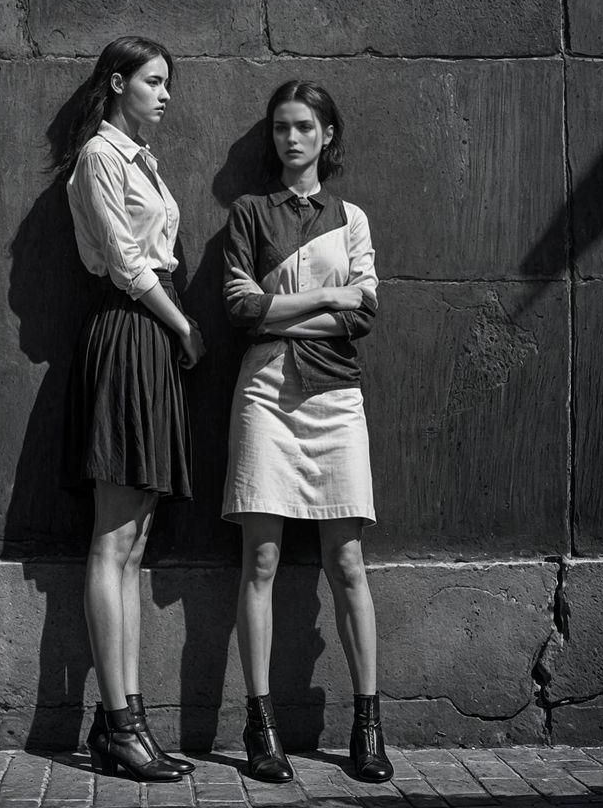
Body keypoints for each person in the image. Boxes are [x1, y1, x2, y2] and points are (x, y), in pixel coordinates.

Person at [221, 80, 393, 784]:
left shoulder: (351, 218)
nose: (290, 138)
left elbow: (367, 312)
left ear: (326, 135)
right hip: (265, 394)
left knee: (346, 561)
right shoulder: (249, 213)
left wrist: (282, 310)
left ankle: (368, 725)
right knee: (258, 561)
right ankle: (259, 725)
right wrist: (326, 294)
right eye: (280, 127)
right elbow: (241, 307)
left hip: (334, 399)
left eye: (303, 127)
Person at [63, 36, 204, 783]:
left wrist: (171, 329)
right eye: (154, 81)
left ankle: (126, 721)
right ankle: (118, 726)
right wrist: (183, 325)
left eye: (168, 83)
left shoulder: (139, 159)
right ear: (117, 83)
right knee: (112, 540)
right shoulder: (99, 157)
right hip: (129, 331)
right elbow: (124, 262)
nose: (166, 94)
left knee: (136, 544)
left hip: (148, 337)